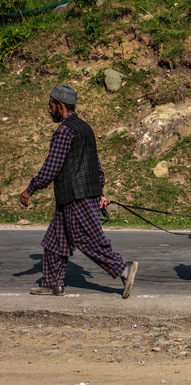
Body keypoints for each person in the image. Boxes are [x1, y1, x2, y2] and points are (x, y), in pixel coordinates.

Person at [20, 83, 138, 298]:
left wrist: (30, 189)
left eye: (50, 106)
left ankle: (124, 269)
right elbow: (96, 165)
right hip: (74, 196)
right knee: (54, 242)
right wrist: (99, 191)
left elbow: (51, 166)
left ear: (60, 105)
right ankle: (52, 284)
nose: (48, 110)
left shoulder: (65, 131)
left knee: (86, 239)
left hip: (76, 196)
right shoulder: (85, 128)